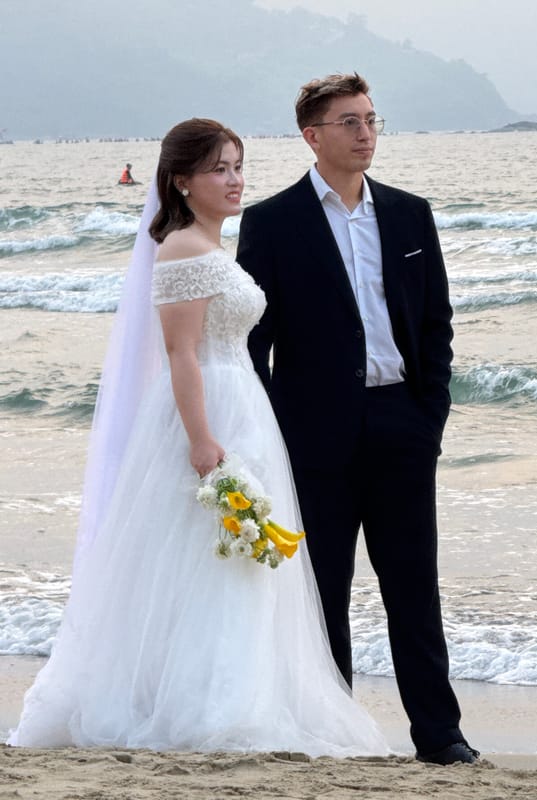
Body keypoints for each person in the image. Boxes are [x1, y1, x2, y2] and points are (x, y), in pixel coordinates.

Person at [7, 118, 388, 756]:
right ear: (182, 181)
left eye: (238, 166)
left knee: (238, 558)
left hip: (242, 401)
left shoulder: (210, 245)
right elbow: (180, 354)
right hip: (209, 409)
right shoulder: (183, 247)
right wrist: (202, 440)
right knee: (209, 558)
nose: (235, 180)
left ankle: (237, 690)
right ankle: (208, 704)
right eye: (218, 169)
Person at [236, 74, 479, 765]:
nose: (365, 133)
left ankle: (440, 734)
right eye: (349, 122)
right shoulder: (274, 222)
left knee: (412, 586)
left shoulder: (409, 214)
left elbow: (436, 325)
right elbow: (255, 342)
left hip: (401, 423)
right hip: (315, 436)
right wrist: (271, 434)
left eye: (371, 119)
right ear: (312, 136)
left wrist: (428, 415)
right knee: (324, 593)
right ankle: (334, 731)